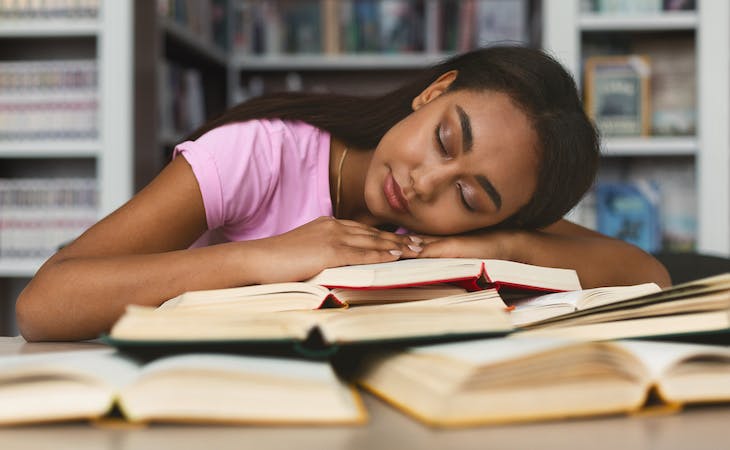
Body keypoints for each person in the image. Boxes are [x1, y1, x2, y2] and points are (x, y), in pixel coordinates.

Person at [16, 46, 670, 342]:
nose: (425, 182)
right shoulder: (263, 152)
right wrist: (263, 258)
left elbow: (650, 274)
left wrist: (504, 242)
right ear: (433, 93)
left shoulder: (471, 231)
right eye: (443, 140)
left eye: (470, 196)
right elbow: (42, 306)